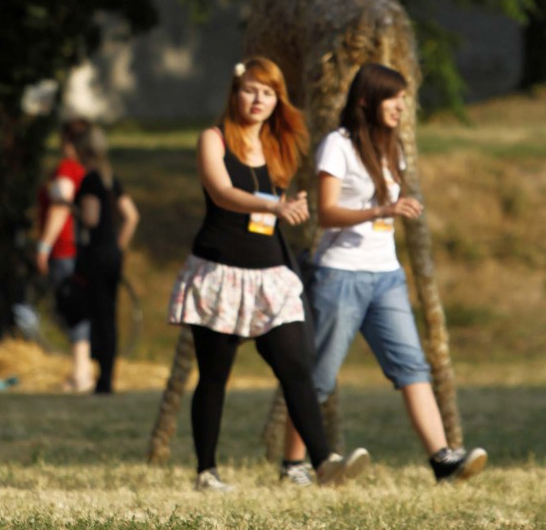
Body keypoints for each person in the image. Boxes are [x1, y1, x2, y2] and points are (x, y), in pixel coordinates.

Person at [168, 57, 370, 491]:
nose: (258, 100)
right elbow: (223, 194)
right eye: (251, 90)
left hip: (270, 273)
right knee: (215, 374)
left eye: (269, 92)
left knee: (296, 366)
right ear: (235, 92)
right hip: (220, 272)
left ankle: (322, 464)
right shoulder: (214, 139)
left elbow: (279, 204)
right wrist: (274, 207)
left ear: (278, 100)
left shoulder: (280, 147)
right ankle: (207, 471)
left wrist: (288, 208)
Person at [282, 63, 488, 484]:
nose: (400, 106)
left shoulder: (391, 147)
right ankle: (293, 466)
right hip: (339, 276)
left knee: (412, 367)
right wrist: (383, 210)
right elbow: (327, 212)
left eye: (402, 98)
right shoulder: (337, 146)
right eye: (392, 97)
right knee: (317, 375)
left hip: (386, 275)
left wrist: (393, 210)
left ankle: (442, 461)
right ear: (365, 101)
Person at [74, 126, 139, 395]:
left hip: (95, 255)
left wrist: (71, 209)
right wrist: (119, 246)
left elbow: (90, 218)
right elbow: (132, 216)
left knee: (98, 314)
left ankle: (103, 377)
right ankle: (108, 374)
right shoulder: (112, 179)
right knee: (109, 316)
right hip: (112, 255)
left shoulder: (90, 181)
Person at [36, 118, 91, 393]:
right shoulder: (85, 169)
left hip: (64, 247)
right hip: (80, 246)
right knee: (78, 307)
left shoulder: (67, 169)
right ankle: (82, 371)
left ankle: (80, 373)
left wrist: (44, 245)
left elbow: (60, 207)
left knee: (72, 307)